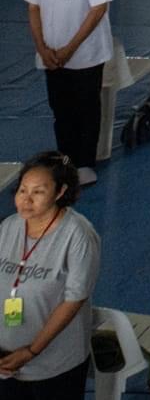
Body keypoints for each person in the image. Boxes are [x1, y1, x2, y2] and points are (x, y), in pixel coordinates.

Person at [25, 0, 112, 181]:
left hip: (84, 52)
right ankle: (66, 159)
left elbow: (98, 8)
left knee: (85, 106)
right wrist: (42, 47)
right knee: (60, 108)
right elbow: (34, 6)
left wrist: (70, 48)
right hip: (50, 52)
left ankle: (85, 162)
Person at [0, 152, 100, 397]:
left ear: (60, 192)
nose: (26, 200)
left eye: (38, 192)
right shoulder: (8, 227)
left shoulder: (79, 236)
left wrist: (32, 351)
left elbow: (73, 300)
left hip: (55, 364)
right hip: (6, 361)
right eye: (22, 190)